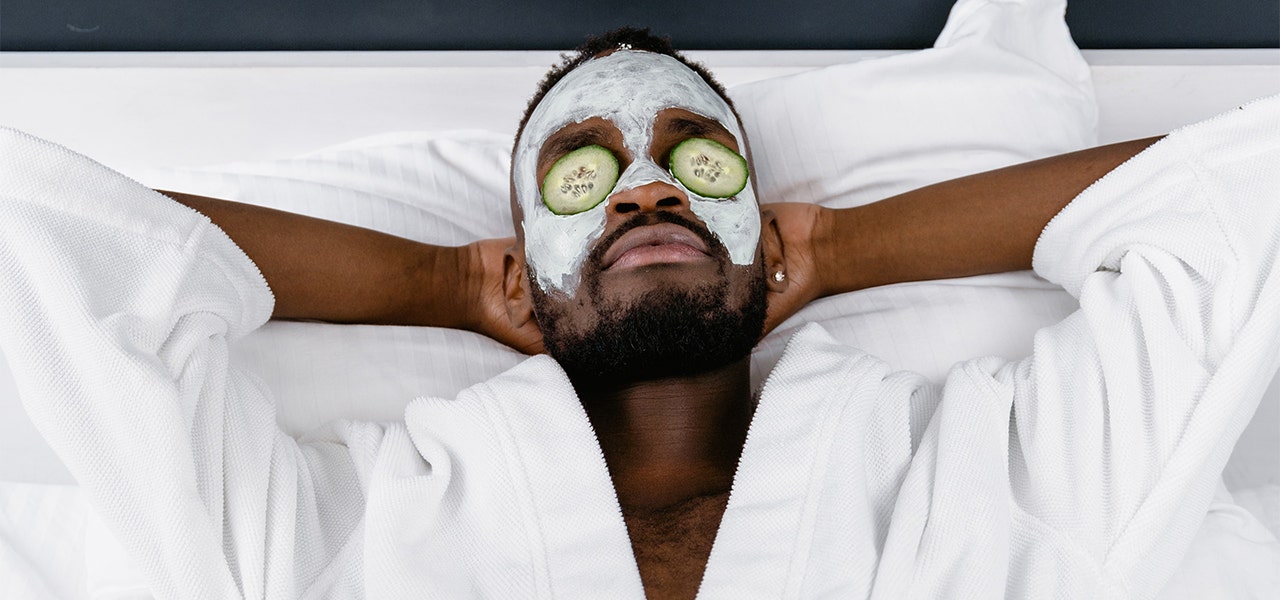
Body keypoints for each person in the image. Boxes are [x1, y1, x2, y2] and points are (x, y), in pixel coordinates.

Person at [0, 27, 1276, 599]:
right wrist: (434, 281)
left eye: (697, 158)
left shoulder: (991, 478)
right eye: (581, 172)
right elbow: (64, 248)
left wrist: (838, 247)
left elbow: (1226, 206)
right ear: (522, 264)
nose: (648, 185)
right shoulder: (347, 532)